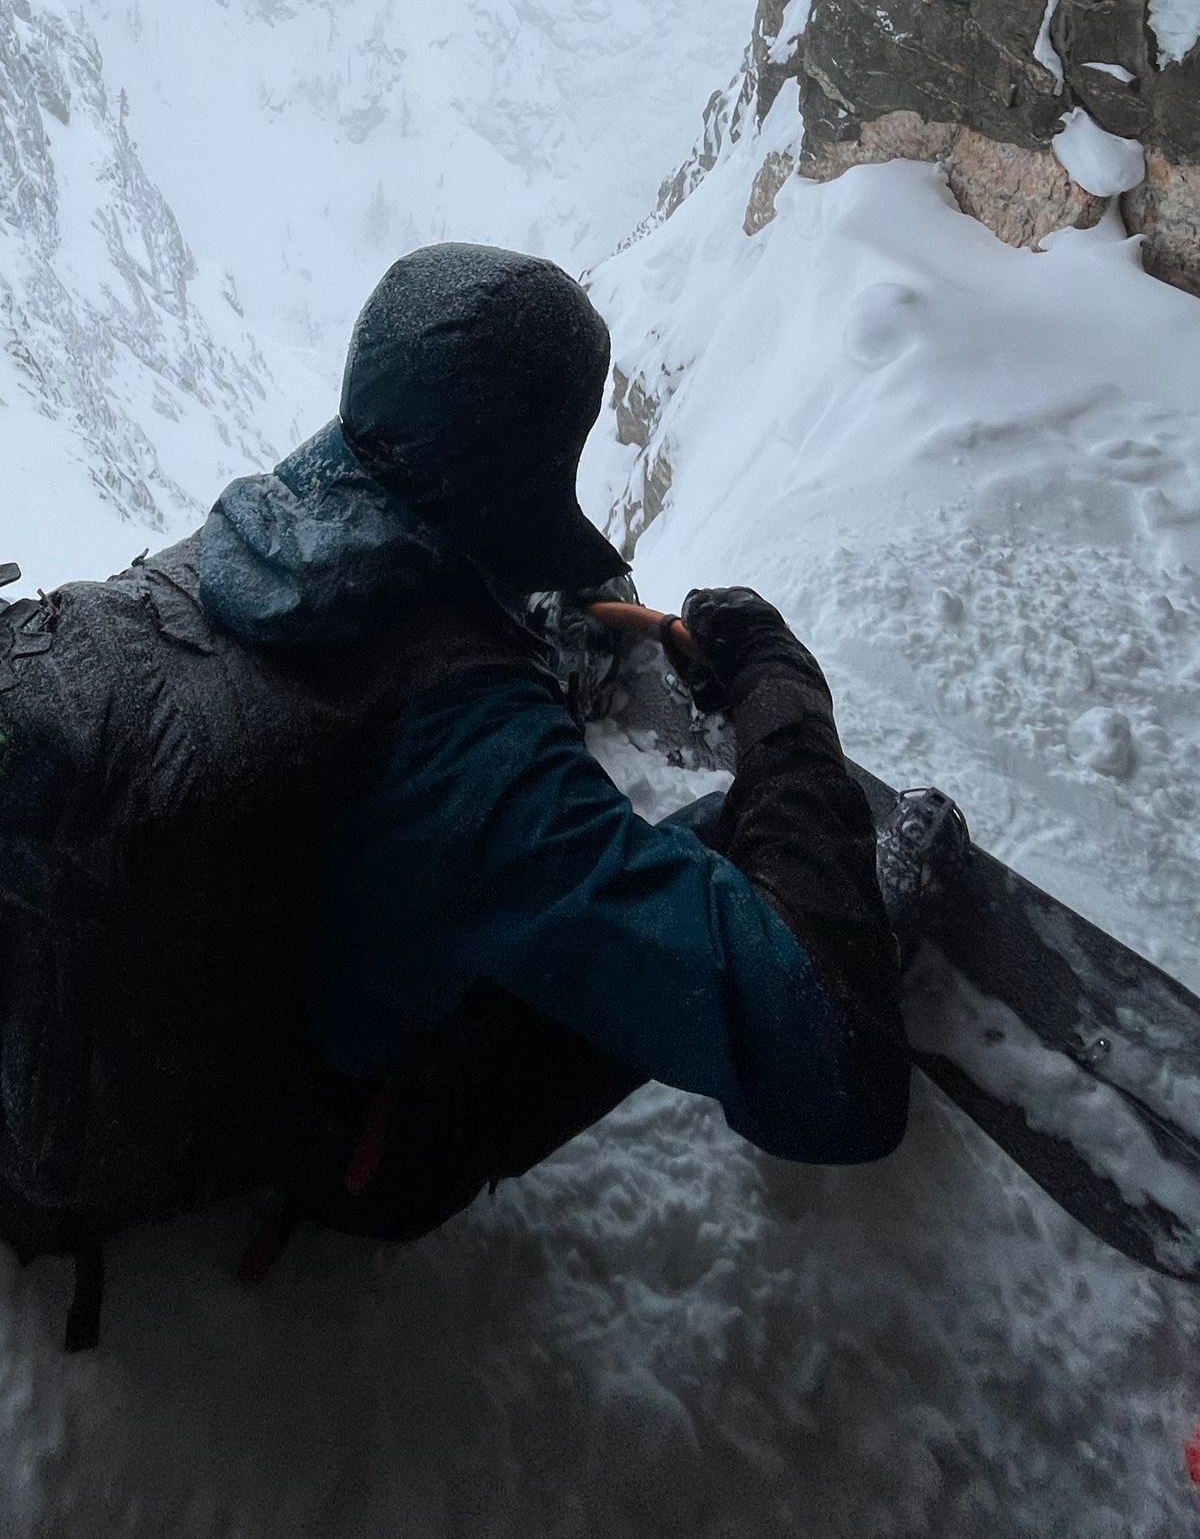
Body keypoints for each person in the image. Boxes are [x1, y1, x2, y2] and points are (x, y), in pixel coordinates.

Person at [196, 242, 911, 1245]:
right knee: (707, 864)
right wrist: (781, 696)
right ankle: (846, 905)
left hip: (251, 1014)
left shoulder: (265, 535)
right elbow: (841, 1082)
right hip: (356, 1148)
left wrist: (554, 604)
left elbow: (426, 575)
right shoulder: (476, 766)